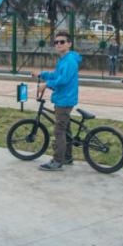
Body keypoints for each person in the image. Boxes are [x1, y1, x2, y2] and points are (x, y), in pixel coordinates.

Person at [37, 31, 82, 171]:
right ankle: (67, 157)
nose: (58, 44)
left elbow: (63, 80)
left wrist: (46, 84)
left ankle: (57, 161)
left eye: (62, 42)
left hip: (65, 100)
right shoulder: (64, 59)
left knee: (59, 131)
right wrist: (42, 74)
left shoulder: (69, 61)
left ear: (69, 44)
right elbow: (57, 75)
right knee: (66, 130)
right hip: (63, 98)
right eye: (56, 42)